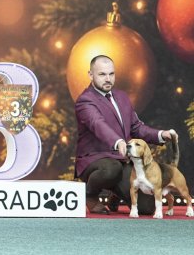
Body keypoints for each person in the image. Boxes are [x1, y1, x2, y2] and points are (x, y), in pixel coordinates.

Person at [74, 54, 177, 215]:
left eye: (111, 74)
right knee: (111, 169)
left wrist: (160, 134)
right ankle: (90, 195)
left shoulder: (122, 96)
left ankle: (116, 193)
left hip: (122, 160)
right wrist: (118, 142)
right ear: (90, 75)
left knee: (146, 208)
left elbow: (136, 127)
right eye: (102, 74)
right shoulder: (85, 101)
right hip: (95, 159)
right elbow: (98, 124)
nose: (108, 79)